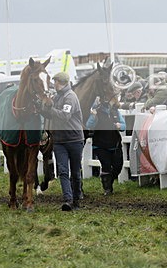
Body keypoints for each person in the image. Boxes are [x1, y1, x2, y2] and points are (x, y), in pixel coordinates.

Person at [40, 72, 84, 211]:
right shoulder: (58, 97)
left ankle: (76, 198)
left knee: (75, 172)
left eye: (56, 82)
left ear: (62, 83)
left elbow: (65, 116)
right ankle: (68, 200)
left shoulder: (70, 97)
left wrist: (51, 109)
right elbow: (51, 115)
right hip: (59, 140)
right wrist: (42, 109)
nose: (54, 84)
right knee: (63, 171)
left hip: (74, 139)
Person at [86, 94, 125, 196]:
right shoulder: (96, 112)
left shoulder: (115, 112)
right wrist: (93, 116)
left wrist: (119, 125)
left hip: (115, 143)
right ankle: (107, 188)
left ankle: (109, 181)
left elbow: (123, 126)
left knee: (118, 166)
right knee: (106, 166)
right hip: (100, 144)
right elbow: (89, 126)